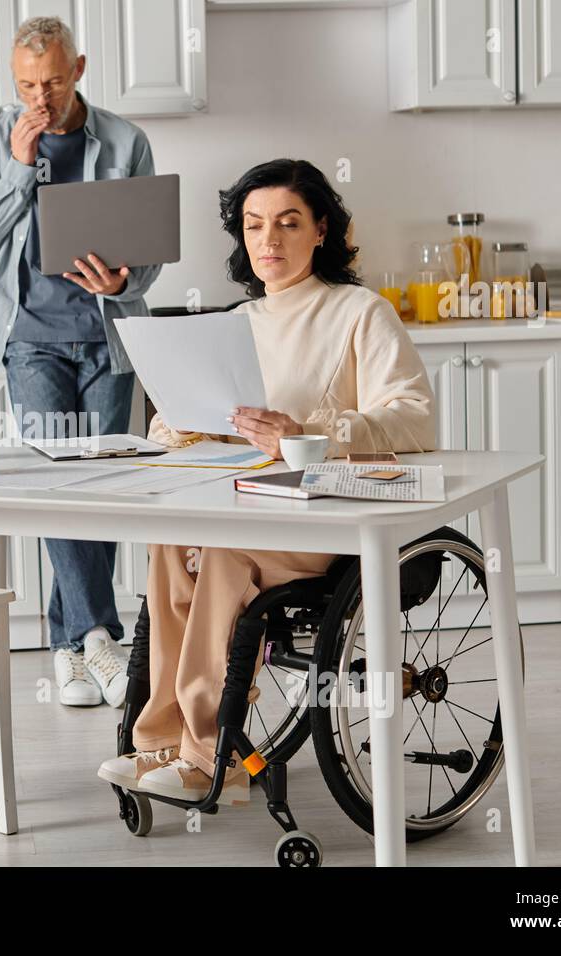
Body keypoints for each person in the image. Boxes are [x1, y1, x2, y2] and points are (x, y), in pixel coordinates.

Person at [98, 159, 437, 804]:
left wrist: (308, 429)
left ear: (322, 231)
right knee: (171, 542)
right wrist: (180, 425)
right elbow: (198, 421)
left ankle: (210, 758)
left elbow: (415, 418)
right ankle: (161, 744)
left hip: (327, 516)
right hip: (245, 504)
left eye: (287, 222)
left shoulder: (360, 312)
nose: (269, 240)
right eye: (253, 225)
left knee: (224, 551)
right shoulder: (235, 321)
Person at [0, 16, 163, 708]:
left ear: (78, 68)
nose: (37, 97)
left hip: (109, 338)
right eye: (23, 85)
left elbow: (150, 250)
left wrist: (123, 282)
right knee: (55, 484)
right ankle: (103, 638)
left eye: (49, 81)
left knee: (98, 492)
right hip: (31, 339)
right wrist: (19, 170)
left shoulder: (127, 141)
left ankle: (68, 647)